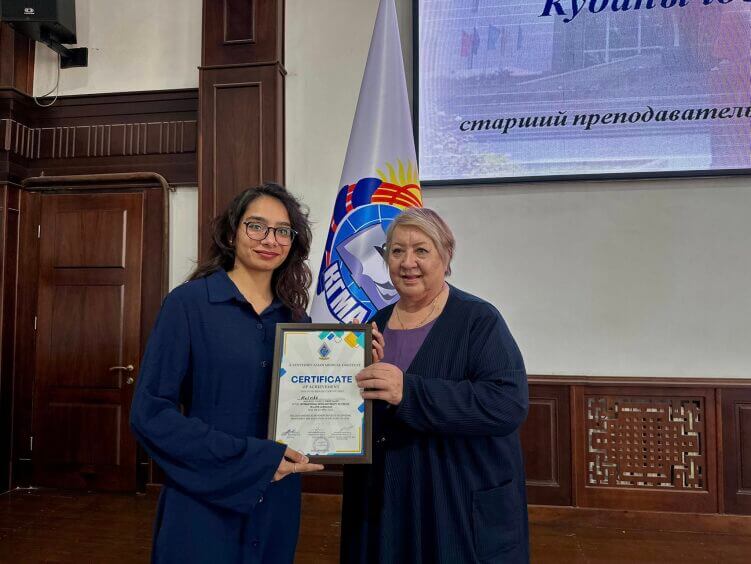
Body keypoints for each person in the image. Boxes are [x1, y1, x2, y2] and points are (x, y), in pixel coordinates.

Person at [130, 183, 326, 563]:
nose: (270, 239)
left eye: (283, 231)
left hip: (277, 499)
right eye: (257, 226)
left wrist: (356, 365)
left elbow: (312, 407)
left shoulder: (297, 320)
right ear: (232, 233)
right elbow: (149, 414)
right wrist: (251, 459)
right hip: (202, 497)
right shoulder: (188, 304)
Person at [341, 207, 530, 564]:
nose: (407, 262)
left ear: (446, 255)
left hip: (455, 501)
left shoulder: (478, 319)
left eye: (421, 250)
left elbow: (507, 404)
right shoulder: (375, 323)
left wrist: (409, 392)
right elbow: (371, 410)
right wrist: (349, 368)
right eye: (397, 251)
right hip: (388, 499)